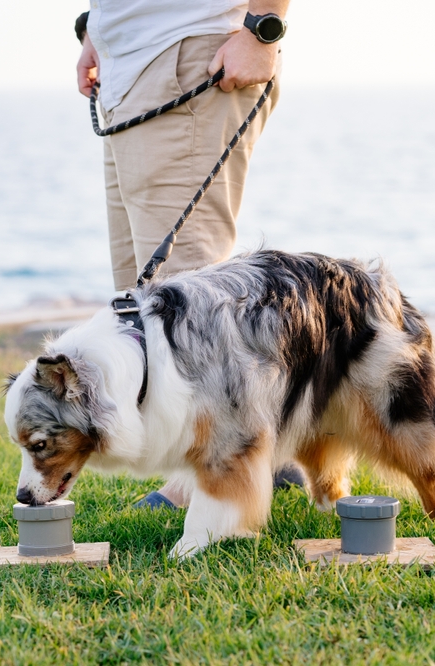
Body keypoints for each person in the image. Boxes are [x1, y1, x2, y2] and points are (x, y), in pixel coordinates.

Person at [75, 1, 304, 508]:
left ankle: (211, 473)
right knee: (141, 294)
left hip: (189, 55)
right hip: (132, 65)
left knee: (190, 298)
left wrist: (262, 29)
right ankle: (268, 453)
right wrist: (99, 30)